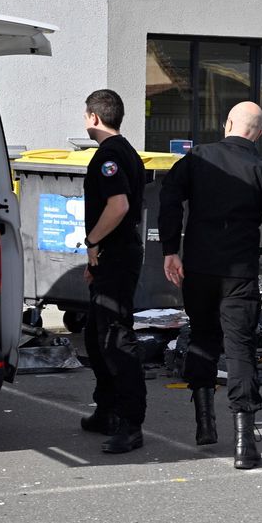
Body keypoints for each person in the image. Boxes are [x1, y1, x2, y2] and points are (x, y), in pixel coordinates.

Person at [158, 101, 262, 469]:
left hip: (199, 268)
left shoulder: (197, 159)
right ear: (259, 133)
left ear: (227, 125)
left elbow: (169, 197)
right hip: (239, 271)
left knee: (202, 337)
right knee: (240, 347)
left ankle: (204, 422)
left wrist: (171, 249)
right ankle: (244, 442)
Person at [80, 89, 147, 454]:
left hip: (117, 254)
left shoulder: (108, 156)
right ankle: (106, 409)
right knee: (95, 334)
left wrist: (92, 241)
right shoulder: (126, 151)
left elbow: (118, 206)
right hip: (113, 256)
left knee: (116, 339)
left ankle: (130, 422)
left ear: (93, 116)